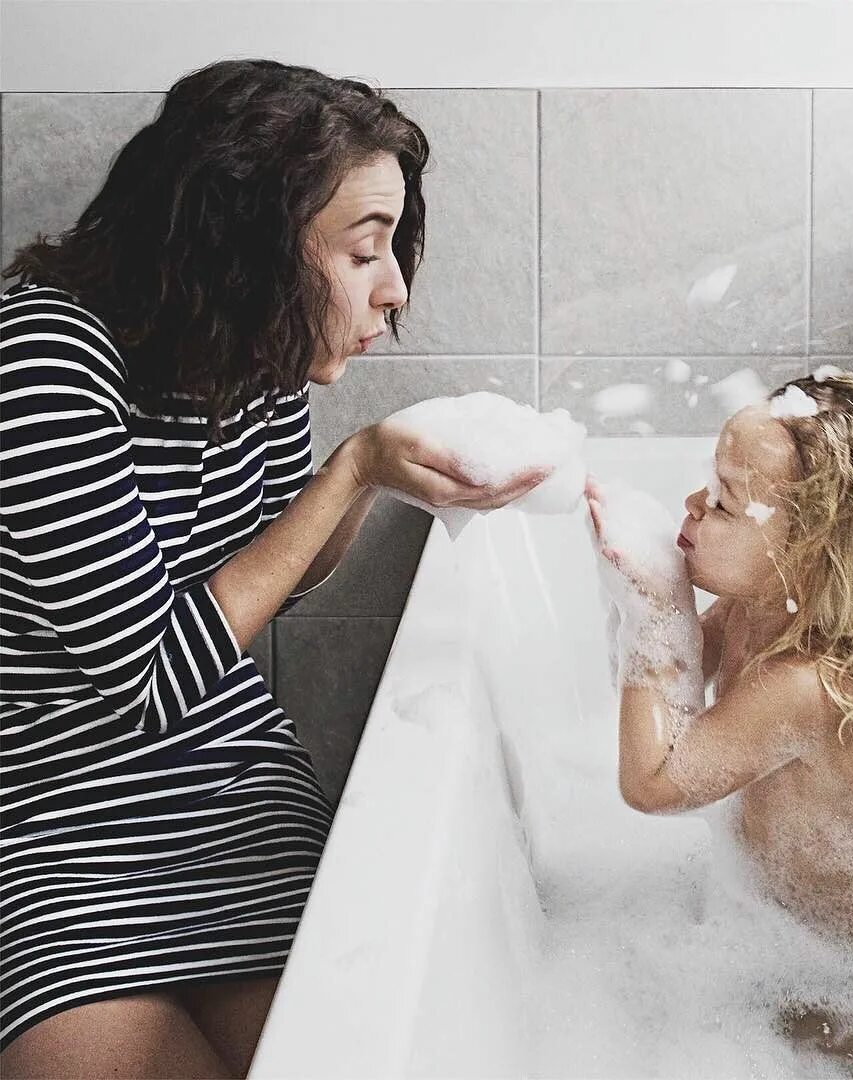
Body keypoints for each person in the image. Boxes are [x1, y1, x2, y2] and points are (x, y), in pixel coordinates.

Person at [0, 59, 544, 1079]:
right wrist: (351, 471)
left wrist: (394, 481)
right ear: (244, 243)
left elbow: (265, 584)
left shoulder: (252, 347)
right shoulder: (42, 361)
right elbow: (158, 674)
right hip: (54, 831)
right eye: (365, 250)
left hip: (233, 796)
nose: (395, 289)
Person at [587, 372, 853, 957]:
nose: (694, 504)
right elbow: (674, 672)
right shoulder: (751, 608)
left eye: (724, 502)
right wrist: (642, 591)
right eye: (710, 484)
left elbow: (652, 784)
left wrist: (658, 608)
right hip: (791, 938)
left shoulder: (807, 687)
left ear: (810, 558)